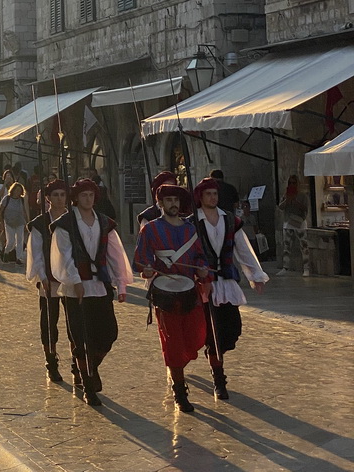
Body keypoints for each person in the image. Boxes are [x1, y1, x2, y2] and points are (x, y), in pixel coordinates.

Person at [50, 179, 133, 406]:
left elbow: (115, 254)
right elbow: (64, 254)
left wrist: (121, 283)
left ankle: (89, 367)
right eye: (84, 195)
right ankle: (88, 383)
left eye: (91, 195)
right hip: (76, 289)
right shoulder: (65, 224)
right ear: (76, 198)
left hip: (100, 286)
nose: (88, 199)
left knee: (108, 334)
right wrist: (74, 280)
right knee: (81, 337)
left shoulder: (105, 223)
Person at [133, 184, 212, 413]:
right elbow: (141, 258)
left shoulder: (190, 230)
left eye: (175, 200)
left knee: (197, 337)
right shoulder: (150, 230)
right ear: (160, 204)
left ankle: (175, 366)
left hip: (190, 290)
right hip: (164, 294)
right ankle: (180, 389)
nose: (173, 204)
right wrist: (146, 269)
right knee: (173, 343)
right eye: (168, 200)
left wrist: (203, 269)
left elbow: (199, 256)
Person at [190, 177, 269, 399]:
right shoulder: (192, 222)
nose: (212, 198)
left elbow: (243, 249)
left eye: (215, 194)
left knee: (231, 331)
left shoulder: (230, 221)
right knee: (213, 334)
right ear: (200, 197)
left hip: (226, 282)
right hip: (204, 286)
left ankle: (215, 356)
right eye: (208, 194)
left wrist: (255, 275)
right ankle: (219, 379)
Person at [25, 179, 69, 381]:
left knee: (74, 322)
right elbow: (36, 252)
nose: (59, 199)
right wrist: (42, 276)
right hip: (49, 279)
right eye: (56, 195)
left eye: (62, 194)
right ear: (48, 199)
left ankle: (78, 362)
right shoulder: (40, 224)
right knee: (50, 321)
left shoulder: (74, 220)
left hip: (71, 278)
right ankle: (51, 360)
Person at [277, 174, 311, 276]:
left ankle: (306, 268)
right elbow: (281, 206)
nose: (292, 185)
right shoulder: (286, 194)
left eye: (294, 183)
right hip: (288, 222)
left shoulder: (302, 195)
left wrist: (295, 202)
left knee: (304, 246)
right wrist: (287, 200)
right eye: (290, 183)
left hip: (299, 222)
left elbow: (305, 208)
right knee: (287, 246)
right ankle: (285, 267)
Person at [0, 182, 29, 265]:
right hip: (9, 222)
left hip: (20, 222)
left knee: (20, 240)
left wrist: (27, 222)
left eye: (19, 191)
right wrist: (1, 222)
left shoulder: (21, 200)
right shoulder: (6, 199)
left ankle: (18, 258)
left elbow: (24, 212)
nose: (18, 192)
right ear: (13, 190)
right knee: (10, 241)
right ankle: (6, 252)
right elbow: (0, 211)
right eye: (16, 190)